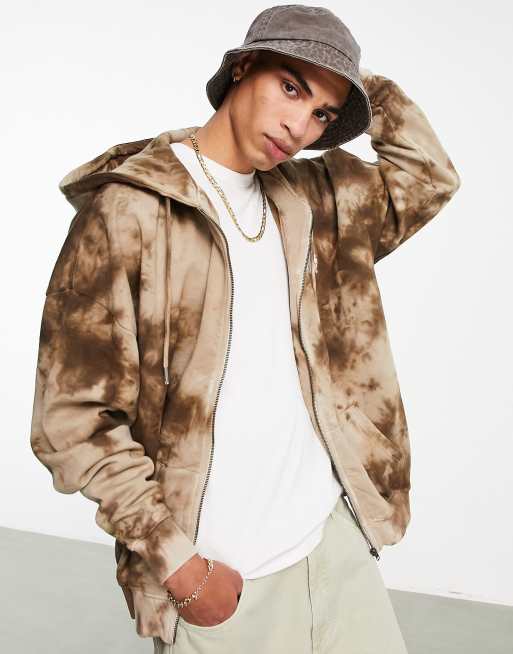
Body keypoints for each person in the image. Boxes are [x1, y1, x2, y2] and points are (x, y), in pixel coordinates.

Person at [29, 5, 460, 653]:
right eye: (291, 86)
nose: (300, 125)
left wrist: (351, 78)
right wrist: (176, 563)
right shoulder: (132, 210)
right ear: (243, 67)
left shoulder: (315, 199)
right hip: (218, 572)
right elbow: (71, 419)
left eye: (323, 114)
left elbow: (429, 176)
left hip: (331, 543)